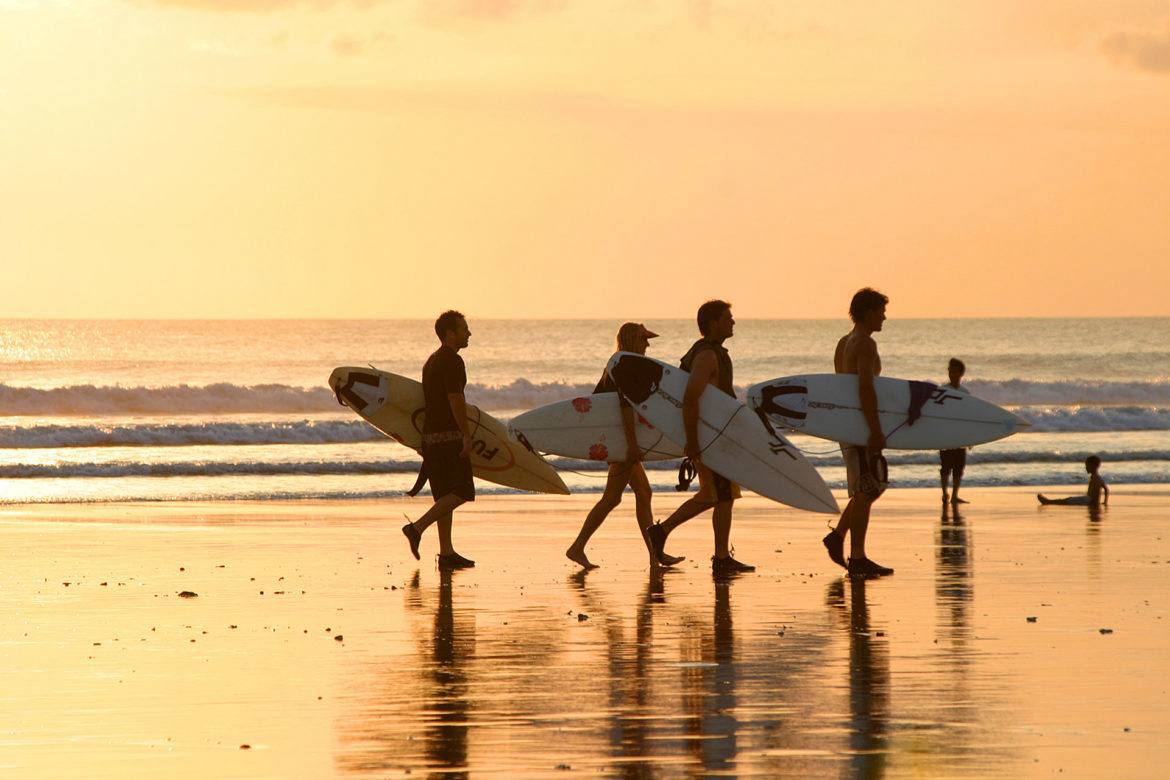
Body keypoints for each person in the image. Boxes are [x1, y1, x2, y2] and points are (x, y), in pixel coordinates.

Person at [645, 300, 755, 576]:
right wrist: (693, 441)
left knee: (712, 495)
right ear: (712, 323)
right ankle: (720, 558)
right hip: (709, 438)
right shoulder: (706, 355)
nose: (733, 322)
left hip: (714, 435)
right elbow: (690, 398)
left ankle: (661, 531)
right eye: (728, 318)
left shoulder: (711, 352)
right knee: (723, 495)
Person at [566, 323, 684, 569]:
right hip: (619, 440)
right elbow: (624, 407)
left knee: (643, 493)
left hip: (616, 438)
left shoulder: (621, 363)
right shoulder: (624, 365)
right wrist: (630, 445)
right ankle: (577, 547)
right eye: (644, 339)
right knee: (611, 498)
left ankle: (654, 556)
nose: (648, 345)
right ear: (632, 339)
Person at [822, 288, 895, 578]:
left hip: (847, 424)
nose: (885, 317)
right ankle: (858, 558)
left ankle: (838, 536)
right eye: (881, 311)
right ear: (867, 312)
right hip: (860, 427)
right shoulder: (865, 344)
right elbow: (865, 388)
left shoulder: (844, 342)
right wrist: (875, 430)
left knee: (870, 487)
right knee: (866, 490)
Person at [401, 310, 476, 569]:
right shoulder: (452, 361)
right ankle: (417, 528)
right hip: (448, 438)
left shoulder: (431, 361)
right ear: (450, 333)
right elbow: (455, 400)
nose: (469, 333)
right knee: (463, 491)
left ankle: (446, 554)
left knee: (444, 495)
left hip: (431, 438)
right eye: (464, 329)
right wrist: (466, 435)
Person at [939, 358, 971, 505]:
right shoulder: (942, 390)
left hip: (960, 436)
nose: (951, 374)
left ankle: (954, 495)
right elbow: (937, 413)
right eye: (950, 371)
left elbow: (967, 417)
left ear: (961, 373)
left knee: (959, 468)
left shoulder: (966, 393)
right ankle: (945, 493)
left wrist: (970, 438)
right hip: (946, 435)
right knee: (946, 467)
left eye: (954, 371)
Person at [1038, 456, 1109, 507]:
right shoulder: (1099, 478)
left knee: (1067, 501)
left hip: (1087, 500)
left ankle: (1048, 502)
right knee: (1068, 500)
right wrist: (1104, 502)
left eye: (1087, 466)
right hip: (1089, 500)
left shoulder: (1095, 478)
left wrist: (1094, 502)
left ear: (1093, 466)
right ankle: (1048, 501)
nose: (1086, 468)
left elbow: (1104, 490)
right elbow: (1106, 489)